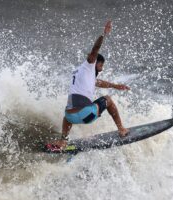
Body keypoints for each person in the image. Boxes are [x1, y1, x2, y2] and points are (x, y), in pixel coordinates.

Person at [53, 20, 130, 149]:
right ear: (95, 62)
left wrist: (115, 86)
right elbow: (95, 49)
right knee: (108, 100)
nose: (102, 68)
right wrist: (104, 35)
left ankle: (63, 140)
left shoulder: (79, 72)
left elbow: (97, 82)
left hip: (71, 117)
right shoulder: (90, 64)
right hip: (87, 115)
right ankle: (121, 129)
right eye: (101, 65)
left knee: (68, 111)